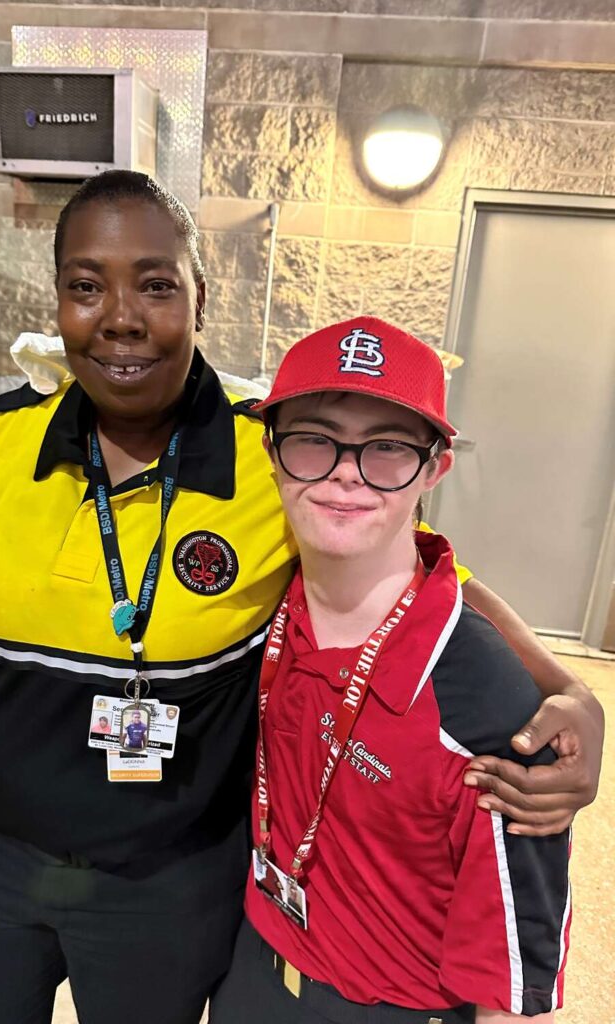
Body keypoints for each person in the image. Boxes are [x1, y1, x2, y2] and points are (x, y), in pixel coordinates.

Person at [0, 172, 601, 1024]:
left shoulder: (276, 457)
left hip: (168, 885)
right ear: (57, 300)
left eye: (156, 284)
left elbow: (429, 575)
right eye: (86, 286)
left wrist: (573, 695)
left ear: (199, 297)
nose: (122, 317)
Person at [211, 317, 572, 1024]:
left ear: (434, 468)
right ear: (273, 455)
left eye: (387, 449)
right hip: (253, 972)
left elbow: (514, 983)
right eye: (314, 439)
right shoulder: (265, 610)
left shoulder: (482, 698)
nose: (347, 472)